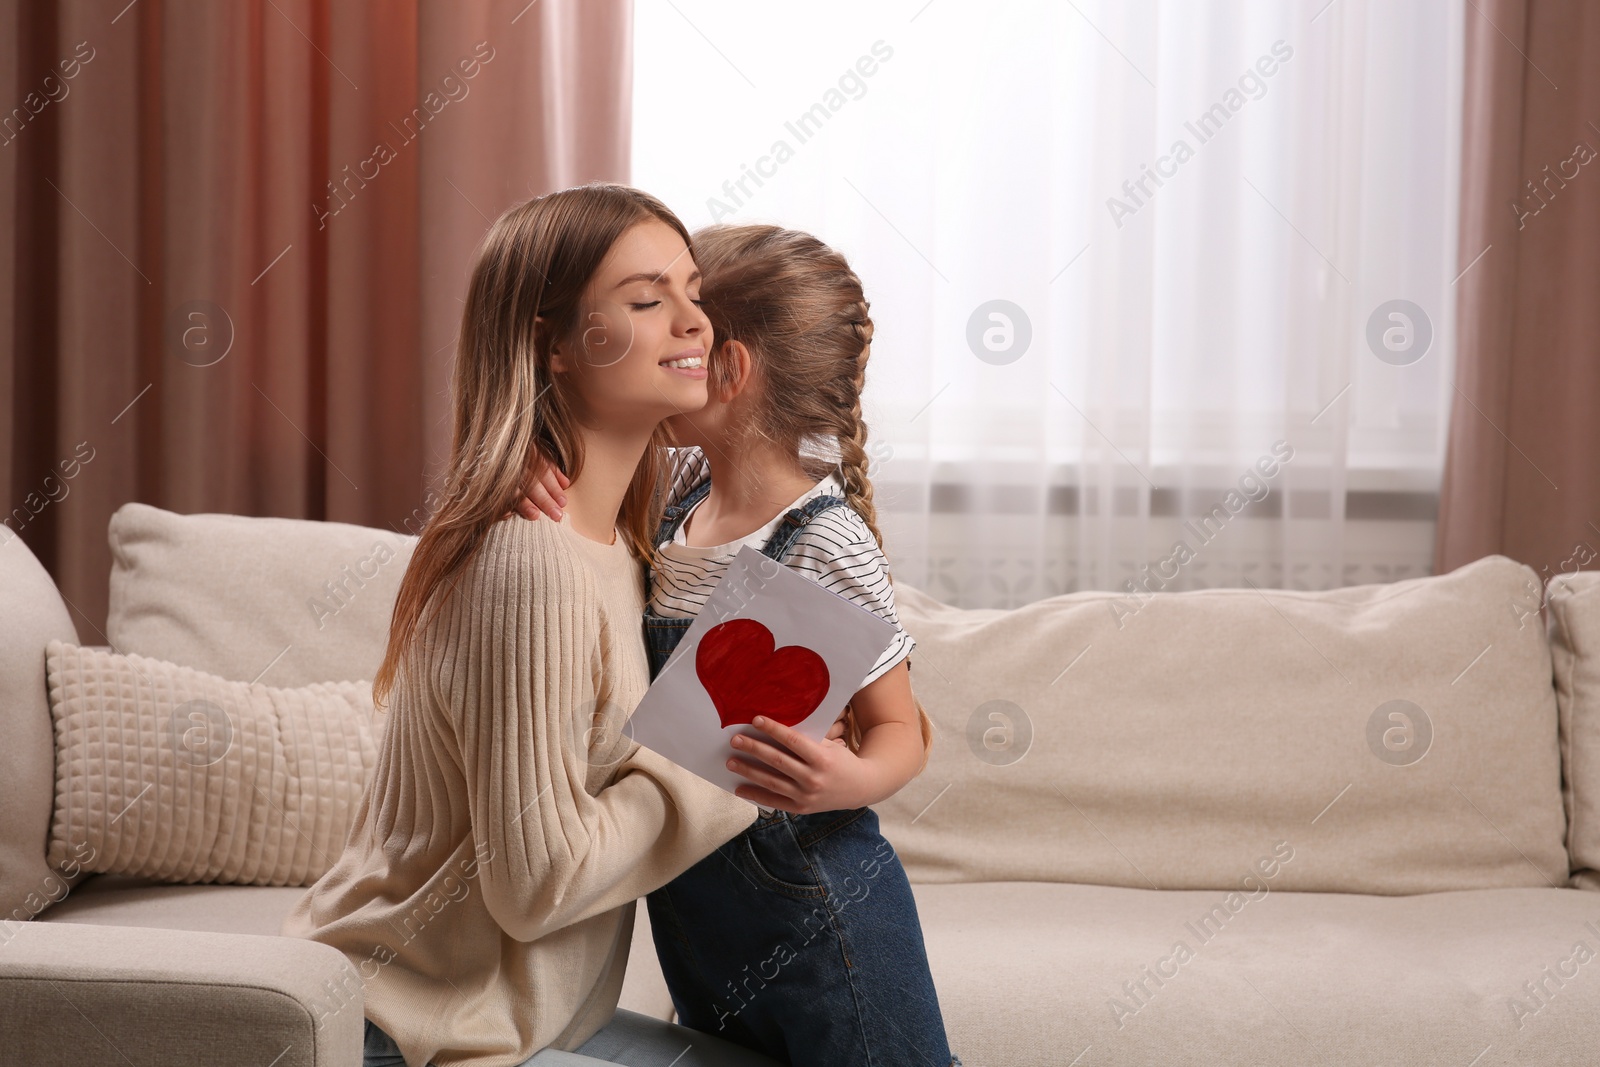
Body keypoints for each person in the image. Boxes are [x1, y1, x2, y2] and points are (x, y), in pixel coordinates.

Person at [281, 184, 786, 1067]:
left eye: (693, 294)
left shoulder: (630, 553)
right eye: (645, 300)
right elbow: (537, 883)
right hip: (400, 1031)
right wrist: (721, 760)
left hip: (518, 1023)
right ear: (552, 345)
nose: (693, 323)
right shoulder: (530, 562)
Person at [514, 224, 960, 1067]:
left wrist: (849, 777)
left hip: (823, 914)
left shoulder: (829, 540)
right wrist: (528, 464)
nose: (662, 342)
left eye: (685, 327)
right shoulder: (676, 490)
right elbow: (573, 426)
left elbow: (903, 729)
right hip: (699, 915)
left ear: (729, 368)